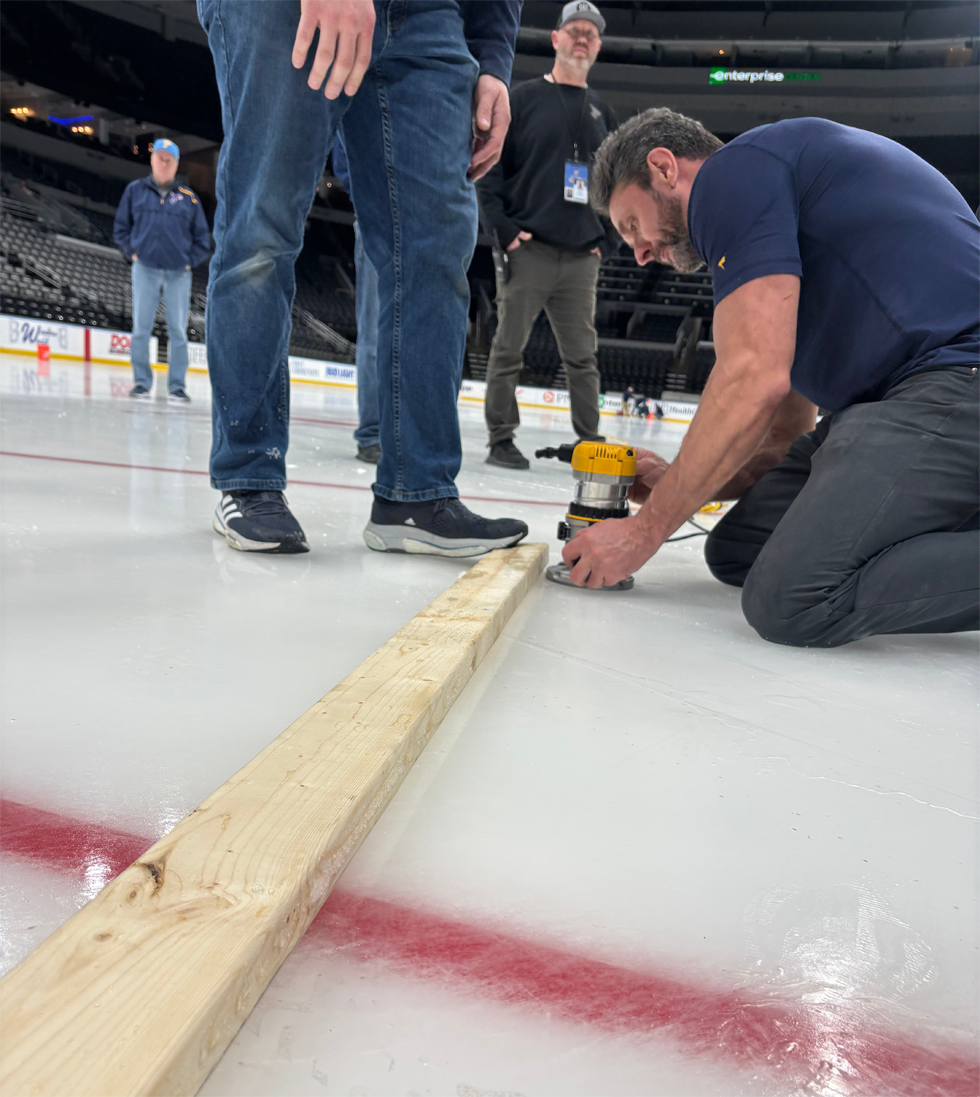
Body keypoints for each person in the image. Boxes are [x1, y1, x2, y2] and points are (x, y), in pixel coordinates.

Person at [564, 108, 980, 648]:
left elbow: (752, 379)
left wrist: (645, 532)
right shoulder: (779, 224)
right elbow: (782, 437)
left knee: (793, 597)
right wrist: (679, 484)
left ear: (665, 168)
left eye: (631, 225)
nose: (640, 253)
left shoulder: (732, 175)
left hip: (954, 378)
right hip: (904, 399)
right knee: (738, 549)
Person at [202, 0, 528, 558]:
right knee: (262, 229)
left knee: (436, 251)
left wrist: (494, 58)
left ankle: (417, 494)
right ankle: (247, 476)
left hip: (431, 15)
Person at [476, 0, 617, 470]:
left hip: (581, 256)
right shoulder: (522, 98)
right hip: (528, 249)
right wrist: (506, 233)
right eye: (574, 30)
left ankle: (589, 440)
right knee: (508, 348)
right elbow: (490, 171)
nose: (582, 39)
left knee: (583, 357)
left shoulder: (603, 110)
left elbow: (620, 186)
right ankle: (501, 439)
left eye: (590, 34)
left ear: (597, 47)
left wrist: (606, 242)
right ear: (555, 39)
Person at [113, 138, 211, 403]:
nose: (164, 163)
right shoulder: (134, 191)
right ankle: (142, 383)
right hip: (144, 269)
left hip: (178, 273)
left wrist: (189, 260)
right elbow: (121, 228)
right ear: (152, 160)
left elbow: (203, 239)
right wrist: (131, 252)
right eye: (160, 157)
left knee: (178, 330)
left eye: (169, 159)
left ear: (176, 164)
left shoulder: (189, 199)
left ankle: (177, 386)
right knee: (140, 328)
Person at [331, 132, 381, 464]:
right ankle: (373, 433)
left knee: (425, 334)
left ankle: (414, 434)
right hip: (376, 216)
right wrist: (368, 194)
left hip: (427, 220)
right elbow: (344, 149)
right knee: (375, 334)